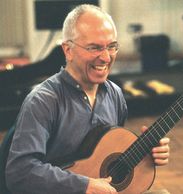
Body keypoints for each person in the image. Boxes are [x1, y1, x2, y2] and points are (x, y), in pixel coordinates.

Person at [5, 4, 170, 194]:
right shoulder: (42, 101)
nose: (106, 57)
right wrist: (84, 185)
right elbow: (19, 172)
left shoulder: (115, 94)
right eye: (94, 48)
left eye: (112, 46)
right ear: (68, 50)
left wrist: (146, 154)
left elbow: (108, 158)